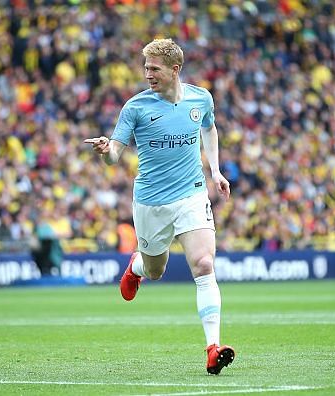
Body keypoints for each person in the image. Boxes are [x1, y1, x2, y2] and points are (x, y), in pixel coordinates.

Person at [84, 38, 235, 375]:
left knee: (204, 264)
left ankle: (213, 348)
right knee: (156, 270)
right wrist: (107, 149)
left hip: (192, 194)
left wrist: (215, 171)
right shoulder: (135, 107)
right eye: (146, 68)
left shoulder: (200, 98)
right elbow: (114, 157)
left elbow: (209, 130)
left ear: (174, 70)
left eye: (154, 68)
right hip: (151, 201)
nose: (147, 74)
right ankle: (136, 267)